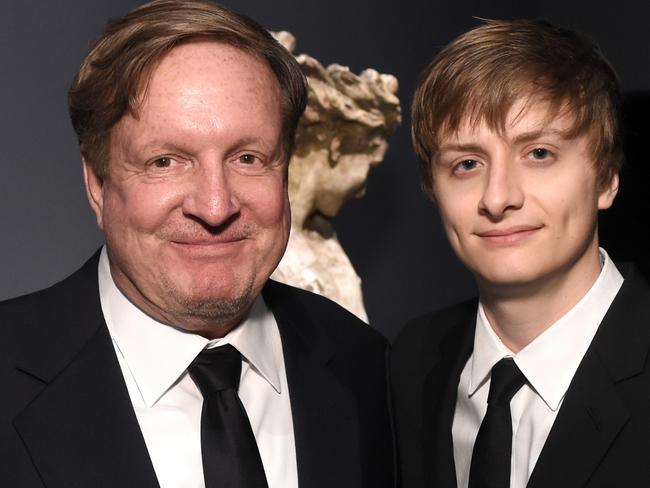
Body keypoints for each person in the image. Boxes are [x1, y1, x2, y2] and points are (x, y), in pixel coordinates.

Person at [0, 1, 393, 487]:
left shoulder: (372, 372)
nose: (215, 206)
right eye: (166, 161)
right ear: (97, 184)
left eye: (248, 158)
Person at [391, 19, 650, 488]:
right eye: (467, 163)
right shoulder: (410, 362)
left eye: (539, 154)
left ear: (607, 176)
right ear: (434, 189)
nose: (498, 197)